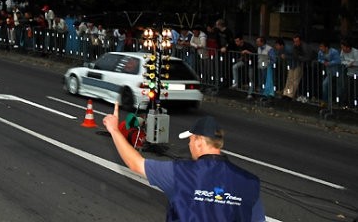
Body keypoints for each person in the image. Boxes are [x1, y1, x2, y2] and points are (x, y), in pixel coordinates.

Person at [103, 106, 266, 221]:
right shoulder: (250, 183)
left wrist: (115, 130)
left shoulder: (180, 173)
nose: (189, 145)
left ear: (199, 141)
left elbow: (136, 163)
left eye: (190, 140)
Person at [282, 34, 313, 100]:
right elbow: (294, 56)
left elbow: (308, 57)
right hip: (294, 64)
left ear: (300, 41)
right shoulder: (295, 46)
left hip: (299, 65)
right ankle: (286, 93)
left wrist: (299, 58)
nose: (295, 43)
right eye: (294, 41)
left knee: (294, 80)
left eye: (297, 41)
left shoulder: (304, 47)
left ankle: (289, 95)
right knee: (290, 79)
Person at [317, 41, 341, 108]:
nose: (320, 48)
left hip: (338, 72)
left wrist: (329, 63)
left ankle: (339, 103)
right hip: (329, 72)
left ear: (326, 47)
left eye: (322, 47)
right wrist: (323, 62)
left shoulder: (334, 52)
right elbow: (319, 59)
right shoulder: (320, 52)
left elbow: (338, 61)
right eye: (320, 47)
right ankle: (325, 101)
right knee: (325, 85)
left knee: (340, 87)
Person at [340, 39, 358, 106]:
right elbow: (342, 61)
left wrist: (352, 64)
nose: (342, 49)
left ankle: (354, 105)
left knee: (355, 91)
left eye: (343, 47)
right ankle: (347, 104)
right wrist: (349, 63)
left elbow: (357, 62)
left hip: (356, 74)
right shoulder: (342, 52)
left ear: (348, 47)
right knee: (347, 89)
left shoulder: (355, 52)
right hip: (349, 73)